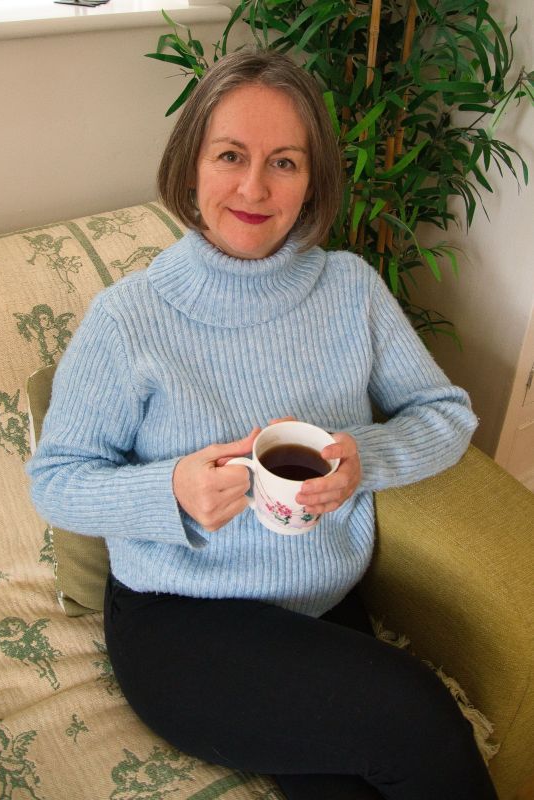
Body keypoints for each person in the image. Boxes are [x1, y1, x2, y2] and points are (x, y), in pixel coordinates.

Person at [27, 49, 498, 800]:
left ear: (313, 181)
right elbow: (55, 482)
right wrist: (171, 491)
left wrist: (361, 461)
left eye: (284, 161)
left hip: (317, 604)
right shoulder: (130, 319)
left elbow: (445, 415)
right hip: (179, 619)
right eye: (231, 156)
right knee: (419, 720)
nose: (253, 187)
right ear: (191, 169)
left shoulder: (351, 289)